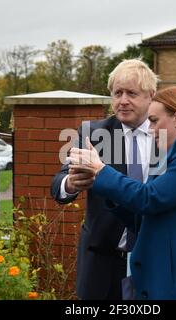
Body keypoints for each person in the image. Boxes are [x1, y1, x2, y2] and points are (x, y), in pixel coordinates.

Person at [67, 86, 176, 300]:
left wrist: (102, 170)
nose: (149, 129)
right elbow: (146, 217)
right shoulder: (171, 157)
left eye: (154, 120)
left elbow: (150, 198)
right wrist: (101, 183)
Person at [51, 59, 159, 299]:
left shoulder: (164, 135)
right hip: (101, 263)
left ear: (150, 95)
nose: (123, 100)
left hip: (153, 261)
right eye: (117, 93)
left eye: (131, 93)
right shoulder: (94, 134)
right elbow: (58, 184)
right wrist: (70, 184)